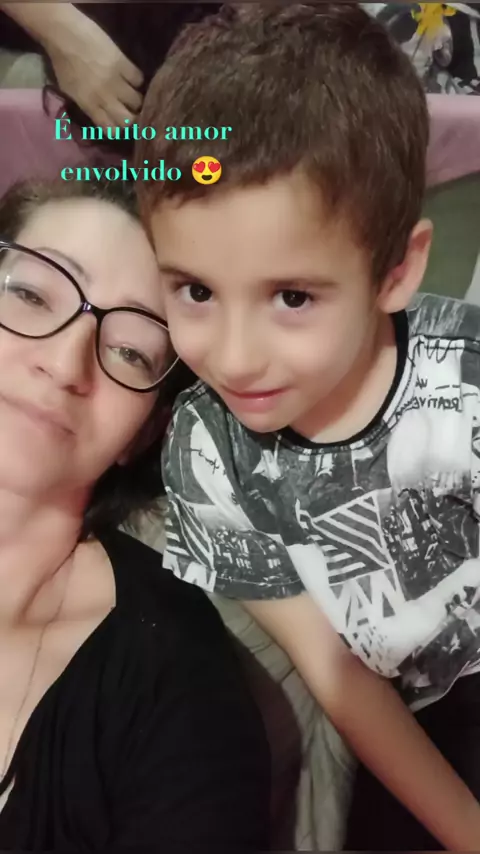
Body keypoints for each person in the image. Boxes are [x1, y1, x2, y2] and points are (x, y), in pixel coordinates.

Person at [133, 2, 480, 850]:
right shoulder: (206, 452)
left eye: (292, 297)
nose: (234, 358)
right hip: (416, 728)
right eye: (195, 291)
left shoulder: (463, 377)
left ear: (394, 271)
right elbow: (336, 672)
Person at [0, 178, 270, 851]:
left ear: (145, 431)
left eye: (130, 350)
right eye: (31, 295)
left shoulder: (173, 675)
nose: (65, 363)